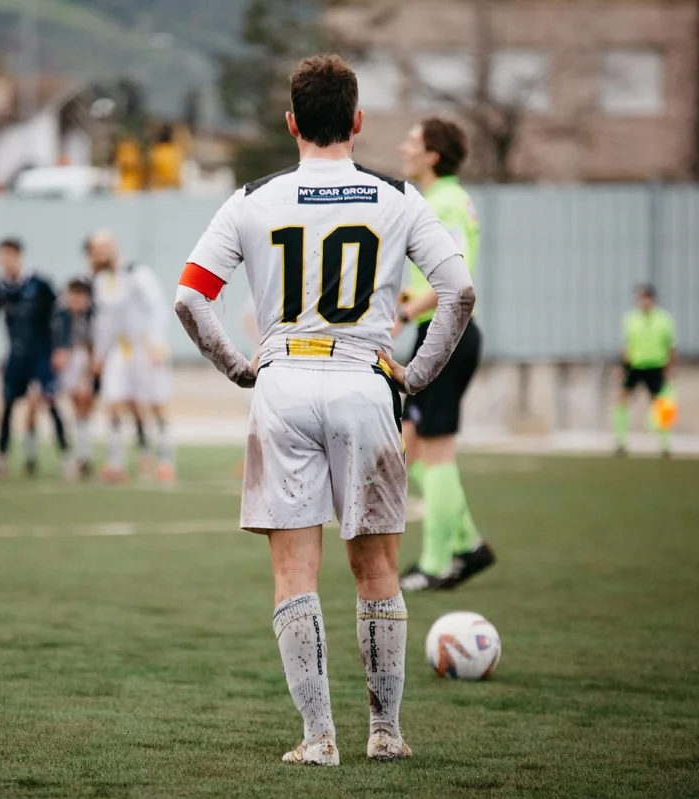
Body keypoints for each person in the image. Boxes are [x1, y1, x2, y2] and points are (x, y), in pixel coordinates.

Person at [175, 54, 474, 765]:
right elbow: (459, 291)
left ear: (290, 123)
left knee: (293, 575)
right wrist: (418, 374)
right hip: (366, 382)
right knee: (376, 570)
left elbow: (190, 298)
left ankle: (318, 737)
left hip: (283, 383)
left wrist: (239, 366)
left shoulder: (252, 199)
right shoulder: (398, 196)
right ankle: (386, 732)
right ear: (358, 121)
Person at [394, 118, 497, 593]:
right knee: (407, 448)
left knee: (435, 452)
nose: (404, 147)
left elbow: (455, 277)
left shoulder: (446, 203)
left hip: (447, 335)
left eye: (412, 142)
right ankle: (468, 542)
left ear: (433, 155)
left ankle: (437, 563)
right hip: (434, 333)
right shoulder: (440, 200)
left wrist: (407, 311)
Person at [0, 238, 70, 477]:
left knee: (49, 401)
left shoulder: (39, 284)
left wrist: (61, 348)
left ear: (17, 256)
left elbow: (60, 316)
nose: (2, 262)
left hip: (41, 353)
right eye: (0, 257)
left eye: (6, 256)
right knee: (7, 405)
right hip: (15, 356)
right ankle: (2, 458)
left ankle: (66, 457)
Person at [85, 230, 175, 484]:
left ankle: (165, 461)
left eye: (103, 248)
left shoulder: (138, 274)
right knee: (113, 403)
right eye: (95, 250)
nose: (99, 254)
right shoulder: (101, 282)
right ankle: (116, 464)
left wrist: (157, 344)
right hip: (119, 351)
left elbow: (158, 307)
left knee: (156, 406)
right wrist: (99, 355)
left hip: (145, 348)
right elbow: (104, 323)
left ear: (114, 246)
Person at [614, 284, 676, 457]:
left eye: (647, 297)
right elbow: (626, 346)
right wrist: (621, 366)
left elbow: (670, 346)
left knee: (662, 405)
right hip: (635, 366)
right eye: (641, 298)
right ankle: (621, 441)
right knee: (622, 400)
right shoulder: (630, 319)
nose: (644, 301)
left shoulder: (664, 319)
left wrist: (671, 367)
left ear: (653, 299)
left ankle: (665, 445)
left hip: (656, 366)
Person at [58, 278, 97, 478]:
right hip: (69, 361)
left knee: (85, 406)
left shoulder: (93, 315)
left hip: (86, 360)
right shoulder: (61, 316)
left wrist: (90, 366)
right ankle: (79, 455)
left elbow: (93, 341)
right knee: (76, 406)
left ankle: (83, 455)